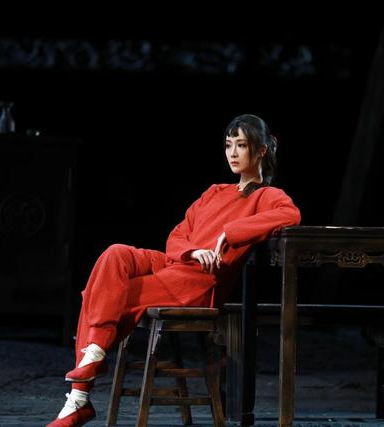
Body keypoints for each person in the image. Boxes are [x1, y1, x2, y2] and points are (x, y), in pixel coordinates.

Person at [47, 114, 301, 426]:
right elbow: (176, 237)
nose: (232, 153)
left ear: (261, 150)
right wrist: (193, 250)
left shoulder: (267, 196)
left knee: (103, 293)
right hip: (176, 263)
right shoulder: (214, 192)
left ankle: (78, 398)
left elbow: (290, 215)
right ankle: (92, 363)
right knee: (115, 254)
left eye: (241, 145)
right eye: (228, 145)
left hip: (198, 282)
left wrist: (231, 232)